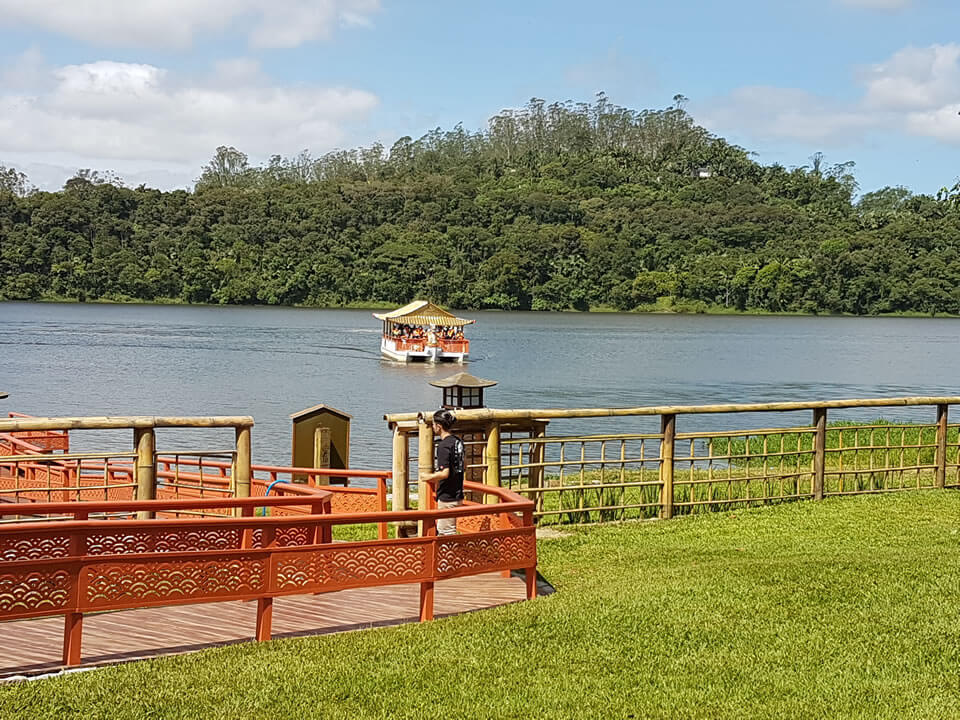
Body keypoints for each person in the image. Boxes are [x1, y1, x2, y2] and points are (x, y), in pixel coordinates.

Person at [423, 409, 464, 535]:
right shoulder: (458, 441)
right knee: (449, 529)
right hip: (458, 493)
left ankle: (450, 555)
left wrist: (428, 477)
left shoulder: (443, 446)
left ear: (439, 426)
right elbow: (464, 465)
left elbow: (444, 473)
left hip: (447, 496)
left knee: (445, 532)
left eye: (434, 424)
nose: (433, 427)